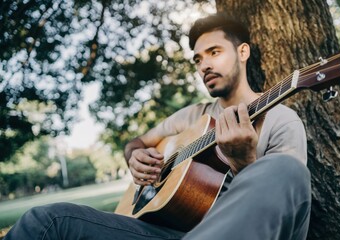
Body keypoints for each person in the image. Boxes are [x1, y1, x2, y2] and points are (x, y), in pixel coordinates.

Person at [5, 13, 311, 240]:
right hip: (160, 232)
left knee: (287, 170)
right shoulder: (192, 116)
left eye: (214, 52)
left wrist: (245, 163)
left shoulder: (280, 119)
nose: (204, 65)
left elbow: (286, 209)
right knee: (47, 220)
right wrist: (135, 158)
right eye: (197, 59)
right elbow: (137, 142)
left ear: (242, 52)